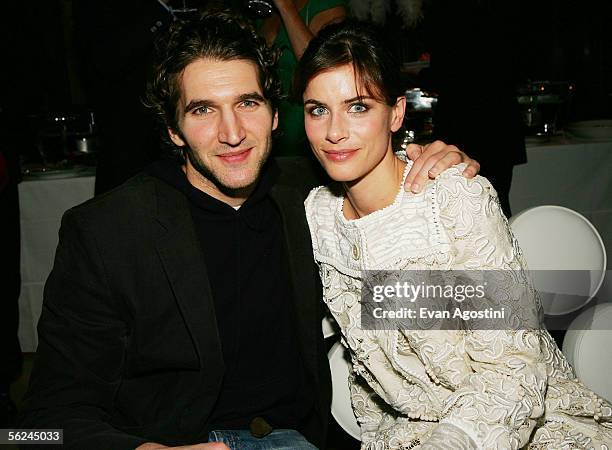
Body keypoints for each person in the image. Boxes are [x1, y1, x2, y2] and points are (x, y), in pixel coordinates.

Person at [18, 10, 479, 450]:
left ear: (277, 116)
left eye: (247, 103)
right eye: (203, 110)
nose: (232, 132)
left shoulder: (314, 195)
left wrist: (433, 168)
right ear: (174, 129)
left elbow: (467, 304)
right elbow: (39, 426)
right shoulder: (107, 232)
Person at [297, 21, 612, 449]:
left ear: (396, 113)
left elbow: (515, 368)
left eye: (358, 107)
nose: (334, 131)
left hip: (509, 425)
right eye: (318, 109)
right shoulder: (320, 216)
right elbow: (365, 366)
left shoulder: (450, 198)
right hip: (406, 433)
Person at [258, 0, 347, 156]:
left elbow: (319, 65)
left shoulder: (327, 6)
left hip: (302, 113)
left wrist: (286, 8)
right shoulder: (262, 8)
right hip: (269, 110)